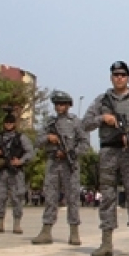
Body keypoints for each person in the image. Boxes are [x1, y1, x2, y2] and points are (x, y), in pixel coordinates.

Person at [82, 61, 129, 256]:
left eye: (123, 75)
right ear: (111, 78)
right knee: (107, 197)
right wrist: (103, 118)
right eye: (115, 75)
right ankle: (106, 242)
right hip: (109, 151)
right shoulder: (102, 100)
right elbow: (85, 124)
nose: (119, 78)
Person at [31, 90, 90, 245]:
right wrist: (48, 138)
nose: (59, 107)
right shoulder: (50, 122)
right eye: (57, 104)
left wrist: (71, 153)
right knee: (50, 196)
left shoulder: (76, 122)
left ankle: (74, 232)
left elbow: (85, 144)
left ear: (68, 105)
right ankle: (46, 230)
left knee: (73, 198)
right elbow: (37, 141)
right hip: (53, 163)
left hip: (70, 164)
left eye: (62, 104)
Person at [0, 112, 35, 234]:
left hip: (15, 172)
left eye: (11, 122)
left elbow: (30, 152)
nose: (8, 125)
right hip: (1, 172)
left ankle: (17, 224)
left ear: (14, 124)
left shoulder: (21, 137)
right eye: (6, 122)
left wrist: (21, 161)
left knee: (17, 197)